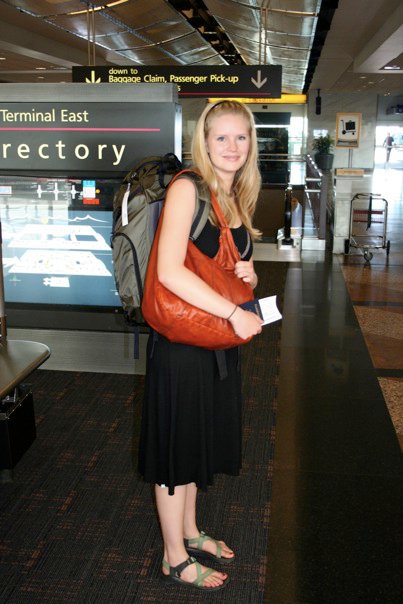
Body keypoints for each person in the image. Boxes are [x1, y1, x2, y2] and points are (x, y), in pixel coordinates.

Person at [138, 100, 263, 591]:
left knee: (195, 441)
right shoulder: (188, 188)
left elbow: (216, 265)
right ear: (204, 143)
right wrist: (233, 312)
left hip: (213, 342)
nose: (232, 147)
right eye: (221, 137)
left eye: (241, 137)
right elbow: (169, 271)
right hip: (182, 344)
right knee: (176, 449)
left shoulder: (233, 193)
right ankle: (173, 557)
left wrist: (248, 275)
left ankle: (190, 531)